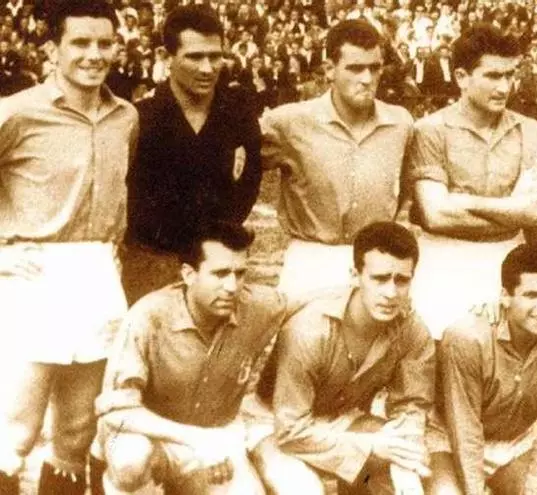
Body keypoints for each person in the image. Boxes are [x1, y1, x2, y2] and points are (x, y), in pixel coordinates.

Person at [0, 1, 137, 493]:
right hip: (32, 273)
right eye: (80, 42)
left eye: (104, 43)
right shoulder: (16, 113)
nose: (93, 54)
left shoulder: (126, 116)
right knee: (14, 431)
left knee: (78, 430)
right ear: (52, 49)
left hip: (97, 272)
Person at [94, 222, 287, 494]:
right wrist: (197, 440)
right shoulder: (148, 316)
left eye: (240, 273)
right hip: (150, 434)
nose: (232, 286)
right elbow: (117, 412)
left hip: (217, 436)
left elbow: (309, 306)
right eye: (220, 274)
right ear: (188, 274)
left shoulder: (260, 307)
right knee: (130, 460)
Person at [248, 222, 435, 494]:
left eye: (402, 280)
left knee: (407, 480)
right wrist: (370, 447)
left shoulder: (411, 329)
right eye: (380, 279)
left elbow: (412, 404)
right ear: (354, 275)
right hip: (275, 423)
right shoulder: (309, 329)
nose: (391, 293)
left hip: (342, 418)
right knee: (304, 490)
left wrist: (407, 444)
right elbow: (290, 431)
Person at [407, 24, 537, 337]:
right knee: (441, 351)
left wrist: (464, 201)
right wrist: (511, 208)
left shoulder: (530, 130)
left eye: (510, 75)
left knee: (503, 357)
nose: (504, 87)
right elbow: (436, 214)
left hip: (508, 261)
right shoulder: (431, 130)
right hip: (443, 263)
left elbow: (534, 212)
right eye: (492, 76)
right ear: (461, 77)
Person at [261, 20, 414, 299]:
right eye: (355, 68)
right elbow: (234, 170)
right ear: (330, 69)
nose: (367, 79)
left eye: (375, 68)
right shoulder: (288, 122)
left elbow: (407, 189)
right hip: (311, 262)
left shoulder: (400, 123)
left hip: (376, 264)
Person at [122, 5, 262, 305]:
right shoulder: (140, 118)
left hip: (215, 264)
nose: (208, 68)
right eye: (195, 57)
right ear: (166, 56)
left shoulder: (238, 115)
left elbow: (248, 184)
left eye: (215, 56)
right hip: (151, 265)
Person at [425, 244, 537, 495]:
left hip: (517, 443)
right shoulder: (468, 338)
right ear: (505, 296)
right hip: (451, 441)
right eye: (531, 295)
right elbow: (464, 430)